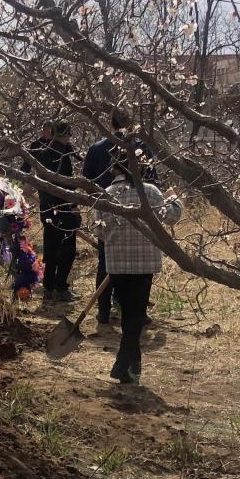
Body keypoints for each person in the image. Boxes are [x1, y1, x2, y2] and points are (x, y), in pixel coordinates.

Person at [99, 153, 182, 385]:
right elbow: (172, 216)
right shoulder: (151, 192)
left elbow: (99, 231)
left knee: (128, 314)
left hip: (116, 263)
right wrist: (174, 197)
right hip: (144, 263)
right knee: (135, 316)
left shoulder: (106, 194)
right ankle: (121, 363)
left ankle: (131, 366)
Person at [83, 108, 154, 325]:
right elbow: (152, 178)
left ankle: (104, 311)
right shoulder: (140, 147)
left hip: (108, 210)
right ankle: (135, 311)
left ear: (109, 122)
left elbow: (86, 181)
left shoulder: (96, 149)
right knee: (140, 266)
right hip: (139, 212)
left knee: (106, 262)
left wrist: (101, 201)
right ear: (130, 123)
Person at [27, 120, 80, 302]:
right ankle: (61, 287)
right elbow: (67, 184)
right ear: (67, 134)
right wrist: (74, 206)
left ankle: (48, 287)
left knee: (50, 248)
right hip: (63, 209)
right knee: (67, 250)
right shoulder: (62, 152)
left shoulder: (42, 152)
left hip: (46, 208)